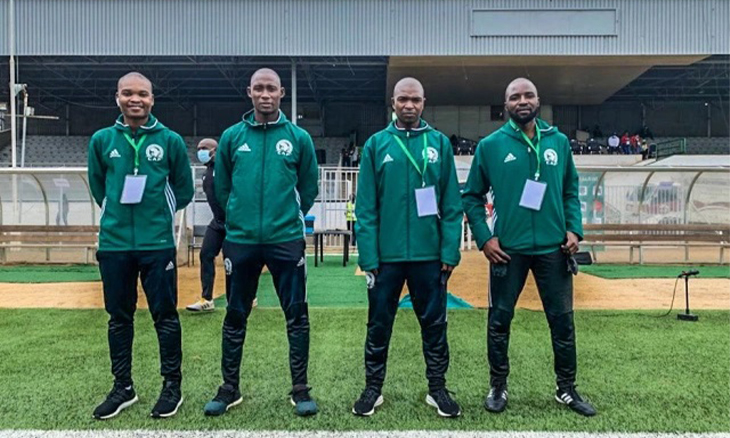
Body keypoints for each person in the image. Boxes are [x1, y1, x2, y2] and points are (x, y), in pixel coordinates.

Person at [462, 77, 596, 417]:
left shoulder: (558, 142)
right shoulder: (491, 146)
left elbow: (570, 190)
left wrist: (574, 229)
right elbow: (471, 196)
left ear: (538, 100)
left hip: (554, 248)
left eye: (528, 95)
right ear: (505, 104)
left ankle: (566, 388)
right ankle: (498, 385)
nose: (522, 101)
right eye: (515, 97)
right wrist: (485, 238)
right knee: (499, 321)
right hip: (508, 249)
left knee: (562, 322)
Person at [204, 68, 319, 417]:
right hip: (241, 241)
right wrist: (237, 219)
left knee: (296, 315)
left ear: (282, 93)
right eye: (259, 88)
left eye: (271, 88)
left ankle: (300, 388)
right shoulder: (231, 137)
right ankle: (229, 388)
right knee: (235, 314)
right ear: (249, 92)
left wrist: (288, 216)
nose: (265, 94)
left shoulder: (299, 138)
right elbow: (222, 188)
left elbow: (308, 187)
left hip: (286, 240)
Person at [352, 77, 463, 418]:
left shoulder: (439, 143)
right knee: (378, 325)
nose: (409, 105)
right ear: (393, 102)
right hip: (386, 259)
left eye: (415, 99)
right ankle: (373, 388)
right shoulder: (376, 145)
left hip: (429, 257)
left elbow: (451, 204)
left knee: (435, 326)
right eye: (403, 99)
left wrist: (449, 251)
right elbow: (366, 207)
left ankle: (437, 389)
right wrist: (369, 256)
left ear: (424, 102)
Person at [87, 72, 194, 420]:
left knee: (165, 316)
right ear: (117, 97)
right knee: (119, 318)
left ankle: (172, 387)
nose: (136, 99)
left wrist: (157, 216)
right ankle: (123, 388)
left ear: (152, 99)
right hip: (115, 244)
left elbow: (183, 189)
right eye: (128, 93)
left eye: (143, 94)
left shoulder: (170, 141)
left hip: (157, 244)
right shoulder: (102, 140)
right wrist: (116, 215)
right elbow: (99, 186)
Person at [186, 139, 257, 311]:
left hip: (234, 222)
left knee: (232, 260)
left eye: (205, 148)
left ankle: (241, 297)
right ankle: (206, 299)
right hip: (217, 222)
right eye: (199, 148)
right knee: (205, 254)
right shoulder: (206, 172)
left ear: (215, 151)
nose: (201, 151)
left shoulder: (227, 168)